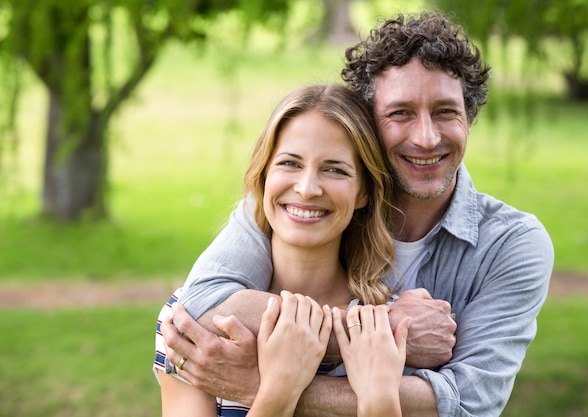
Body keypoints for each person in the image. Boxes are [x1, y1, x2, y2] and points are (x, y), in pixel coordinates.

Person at [161, 11, 554, 417]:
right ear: (366, 126)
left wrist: (263, 385)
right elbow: (204, 307)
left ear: (468, 119)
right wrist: (381, 331)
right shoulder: (300, 208)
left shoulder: (512, 242)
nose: (426, 137)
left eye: (445, 112)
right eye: (400, 113)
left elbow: (471, 399)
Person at [154, 84, 411, 417]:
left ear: (364, 193)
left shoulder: (388, 331)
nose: (307, 188)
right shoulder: (191, 322)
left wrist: (381, 405)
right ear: (262, 177)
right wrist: (279, 390)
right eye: (290, 163)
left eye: (334, 169)